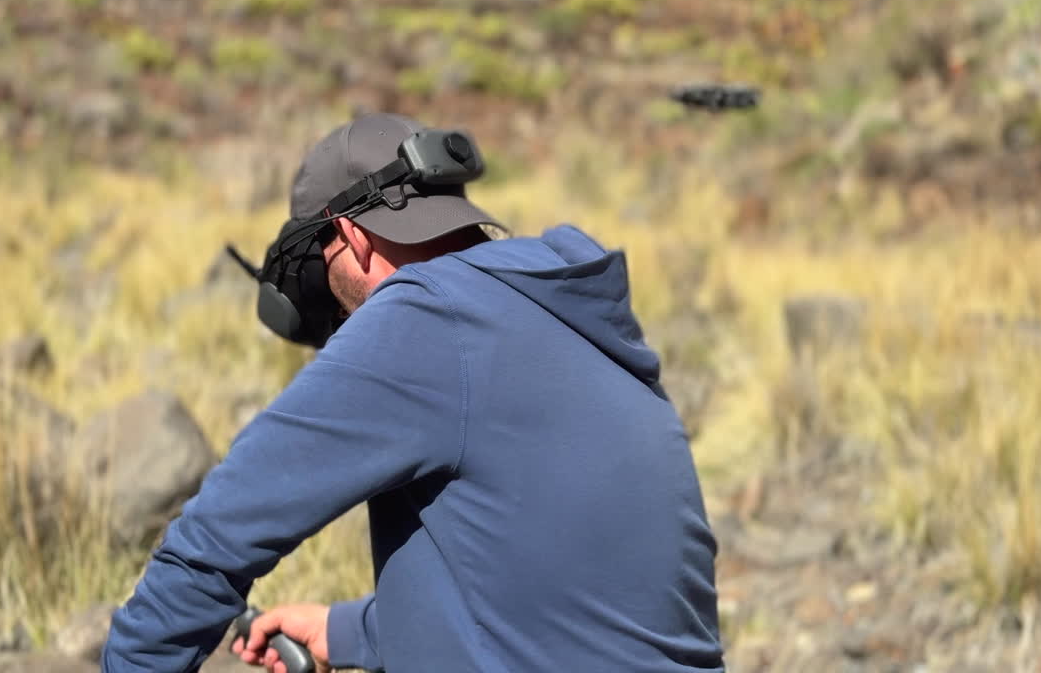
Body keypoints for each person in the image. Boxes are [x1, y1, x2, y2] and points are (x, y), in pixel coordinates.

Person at [100, 112, 724, 673]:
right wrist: (346, 631)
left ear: (351, 237)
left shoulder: (423, 321)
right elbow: (560, 593)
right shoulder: (570, 316)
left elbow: (215, 541)